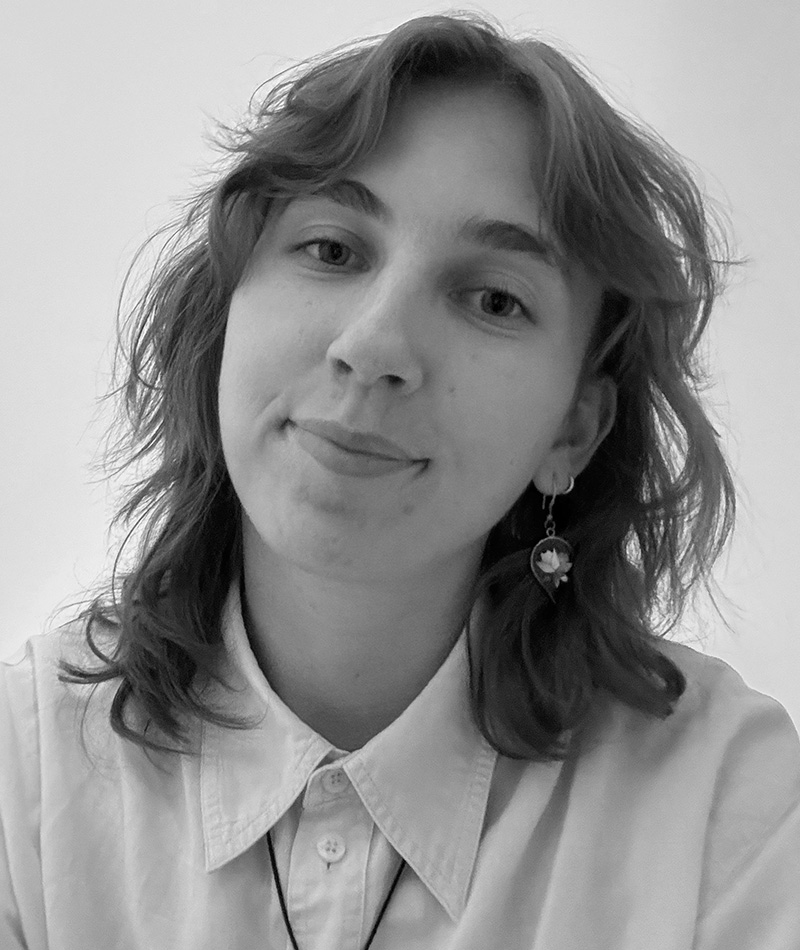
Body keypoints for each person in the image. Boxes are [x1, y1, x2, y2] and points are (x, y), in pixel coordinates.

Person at [1, 10, 798, 950]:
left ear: (573, 430)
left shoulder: (729, 809)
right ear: (227, 317)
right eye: (333, 250)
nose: (374, 343)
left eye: (493, 298)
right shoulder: (28, 776)